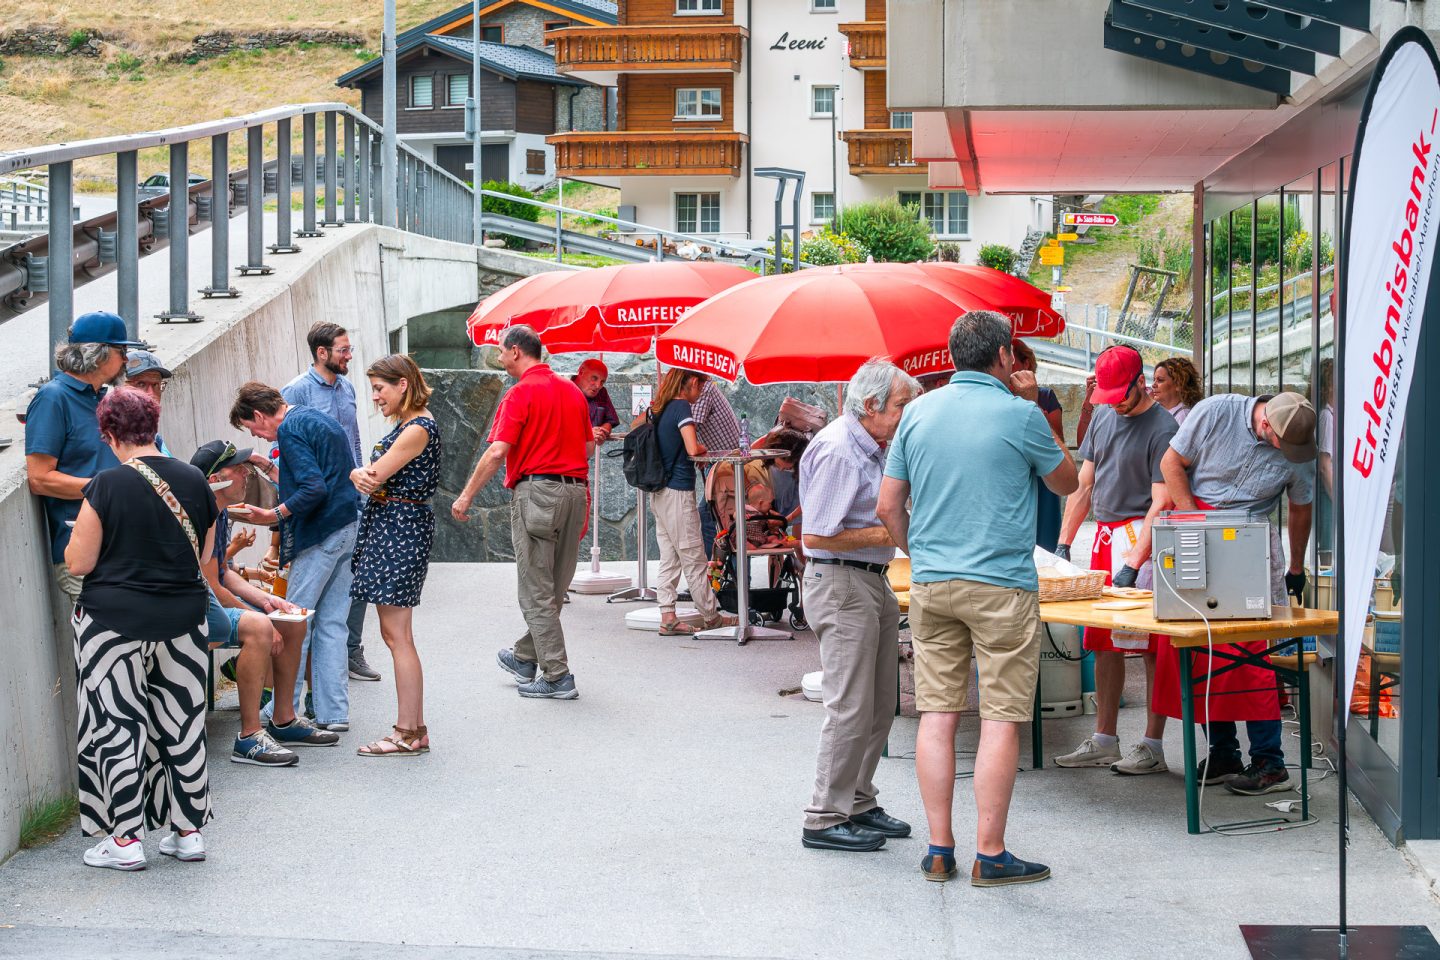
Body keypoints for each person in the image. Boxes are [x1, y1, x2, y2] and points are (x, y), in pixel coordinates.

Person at [877, 311, 1077, 887]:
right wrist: (1035, 402)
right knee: (1000, 719)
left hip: (933, 584)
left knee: (936, 716)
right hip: (1002, 585)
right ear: (1006, 357)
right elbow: (1065, 483)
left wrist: (921, 554)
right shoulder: (1021, 415)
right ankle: (990, 854)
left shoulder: (915, 413)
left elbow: (889, 505)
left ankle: (939, 849)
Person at [64, 388, 217, 870]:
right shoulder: (195, 480)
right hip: (182, 622)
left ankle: (125, 840)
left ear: (110, 434)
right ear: (153, 426)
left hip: (112, 623)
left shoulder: (106, 484)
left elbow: (79, 561)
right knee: (182, 722)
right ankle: (187, 832)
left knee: (115, 726)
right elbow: (206, 555)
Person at [1156, 391, 1316, 796]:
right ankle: (1224, 749)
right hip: (1201, 527)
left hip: (1252, 541)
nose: (1291, 453)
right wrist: (1193, 520)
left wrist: (1296, 567)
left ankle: (1270, 761)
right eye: (1285, 445)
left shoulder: (1297, 448)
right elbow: (1171, 463)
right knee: (1205, 648)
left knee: (1252, 655)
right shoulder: (1215, 412)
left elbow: (1300, 508)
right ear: (1266, 426)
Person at [800, 359, 920, 854]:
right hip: (842, 582)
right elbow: (815, 535)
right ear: (870, 406)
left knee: (877, 705)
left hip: (869, 580)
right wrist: (891, 530)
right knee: (850, 707)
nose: (905, 415)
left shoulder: (871, 446)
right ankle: (824, 817)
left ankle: (858, 800)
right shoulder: (839, 450)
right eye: (900, 407)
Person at [1053, 346, 1177, 775]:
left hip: (1142, 535)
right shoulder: (1104, 413)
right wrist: (1064, 544)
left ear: (1140, 382)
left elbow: (1162, 502)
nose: (1115, 404)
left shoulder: (1164, 427)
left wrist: (1135, 560)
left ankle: (1153, 744)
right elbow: (1084, 483)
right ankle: (1105, 737)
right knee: (1101, 641)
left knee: (1149, 645)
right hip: (1106, 535)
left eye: (1120, 396)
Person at [451, 325, 591, 700]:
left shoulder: (520, 393)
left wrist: (465, 497)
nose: (499, 358)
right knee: (555, 586)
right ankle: (525, 657)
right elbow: (589, 445)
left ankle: (558, 677)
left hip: (538, 493)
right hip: (575, 492)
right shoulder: (572, 390)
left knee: (535, 591)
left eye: (501, 351)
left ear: (515, 351)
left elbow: (498, 451)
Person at [191, 441, 339, 764]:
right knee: (261, 627)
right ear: (215, 480)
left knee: (293, 619)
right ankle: (249, 736)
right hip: (199, 608)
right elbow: (212, 586)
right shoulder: (205, 515)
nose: (246, 473)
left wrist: (270, 601)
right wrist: (260, 618)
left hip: (215, 599)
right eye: (237, 467)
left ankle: (284, 719)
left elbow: (225, 573)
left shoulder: (223, 512)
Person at [230, 382, 361, 732]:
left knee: (291, 622)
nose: (259, 436)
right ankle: (334, 714)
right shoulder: (312, 420)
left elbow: (312, 489)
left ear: (259, 414)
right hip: (348, 525)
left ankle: (281, 712)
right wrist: (270, 469)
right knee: (332, 624)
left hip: (321, 534)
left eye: (252, 428)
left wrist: (271, 516)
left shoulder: (288, 429)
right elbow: (317, 478)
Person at [349, 355, 441, 756]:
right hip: (395, 525)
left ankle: (407, 731)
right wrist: (361, 475)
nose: (375, 397)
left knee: (397, 636)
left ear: (402, 384)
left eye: (379, 388)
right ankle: (413, 729)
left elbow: (373, 476)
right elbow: (369, 477)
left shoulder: (417, 427)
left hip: (399, 528)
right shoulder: (411, 425)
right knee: (396, 634)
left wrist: (358, 473)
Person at [283, 321, 381, 684]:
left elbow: (353, 442)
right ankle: (308, 673)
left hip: (352, 498)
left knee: (355, 581)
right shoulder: (297, 391)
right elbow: (286, 452)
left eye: (349, 348)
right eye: (343, 350)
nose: (349, 356)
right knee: (309, 597)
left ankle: (351, 651)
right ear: (321, 353)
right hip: (319, 507)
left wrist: (362, 487)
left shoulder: (348, 388)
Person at [25, 310, 143, 608]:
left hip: (121, 543)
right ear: (99, 354)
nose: (126, 360)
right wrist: (107, 489)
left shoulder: (104, 398)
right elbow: (39, 479)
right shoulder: (53, 397)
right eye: (122, 351)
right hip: (83, 550)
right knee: (104, 646)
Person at [645, 368, 735, 636]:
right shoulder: (682, 407)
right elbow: (693, 448)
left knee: (670, 557)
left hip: (660, 493)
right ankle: (711, 617)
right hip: (678, 493)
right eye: (701, 386)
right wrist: (703, 449)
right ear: (693, 382)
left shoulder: (660, 408)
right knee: (694, 556)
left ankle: (668, 615)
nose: (701, 392)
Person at [1010, 338, 1064, 552]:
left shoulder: (1045, 396)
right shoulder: (999, 396)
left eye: (1013, 359)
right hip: (1015, 474)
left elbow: (1057, 440)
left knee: (1045, 538)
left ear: (1026, 364)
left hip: (1042, 477)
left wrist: (1033, 406)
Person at [690, 380, 741, 558]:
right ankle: (727, 577)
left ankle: (714, 577)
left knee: (717, 517)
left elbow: (690, 425)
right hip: (723, 463)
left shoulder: (703, 389)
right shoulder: (706, 387)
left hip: (725, 465)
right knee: (725, 518)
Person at [573, 358, 620, 443]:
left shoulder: (602, 393)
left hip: (586, 454)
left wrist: (602, 431)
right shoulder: (564, 391)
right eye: (594, 378)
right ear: (581, 372)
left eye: (602, 382)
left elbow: (610, 421)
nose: (598, 385)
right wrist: (587, 434)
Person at [1150, 357, 1204, 426]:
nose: (1153, 385)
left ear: (1178, 384)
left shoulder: (1182, 417)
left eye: (1160, 380)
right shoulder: (1164, 412)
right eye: (1154, 379)